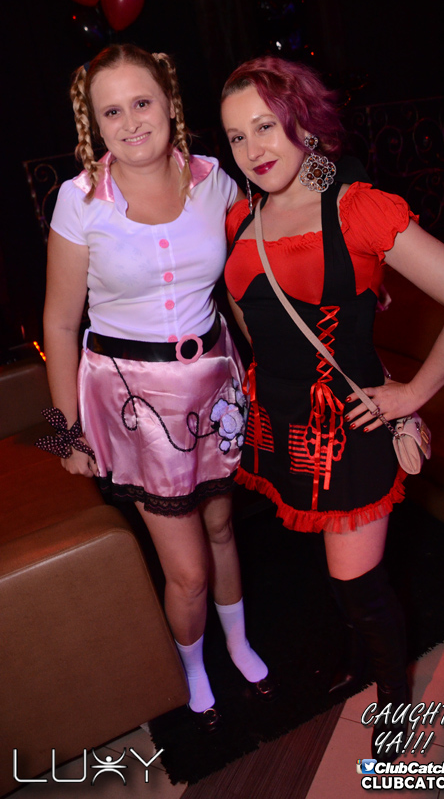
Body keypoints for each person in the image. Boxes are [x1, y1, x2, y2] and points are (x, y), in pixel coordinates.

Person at [220, 56, 444, 758]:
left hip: (349, 427)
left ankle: (395, 703)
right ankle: (359, 661)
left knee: (358, 583)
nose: (253, 149)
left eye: (266, 126)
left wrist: (412, 392)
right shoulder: (239, 216)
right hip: (283, 424)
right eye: (236, 136)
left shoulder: (358, 209)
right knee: (337, 572)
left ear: (304, 122)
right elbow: (248, 311)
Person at [39, 44, 273, 732]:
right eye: (111, 112)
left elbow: (250, 283)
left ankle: (237, 641)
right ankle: (192, 667)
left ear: (170, 101)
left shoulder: (216, 181)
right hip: (132, 401)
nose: (131, 122)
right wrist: (64, 433)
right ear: (94, 124)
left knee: (223, 526)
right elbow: (59, 324)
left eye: (141, 102)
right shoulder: (79, 200)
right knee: (189, 570)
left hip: (213, 383)